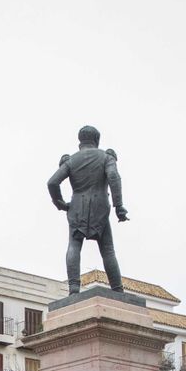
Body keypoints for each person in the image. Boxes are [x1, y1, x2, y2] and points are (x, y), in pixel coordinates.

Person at [47, 125, 128, 294]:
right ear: (97, 140)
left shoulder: (71, 161)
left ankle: (74, 287)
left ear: (80, 142)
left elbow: (52, 182)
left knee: (74, 245)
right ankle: (117, 289)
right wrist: (118, 206)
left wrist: (60, 203)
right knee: (107, 249)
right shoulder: (106, 157)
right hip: (100, 204)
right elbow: (114, 177)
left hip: (76, 205)